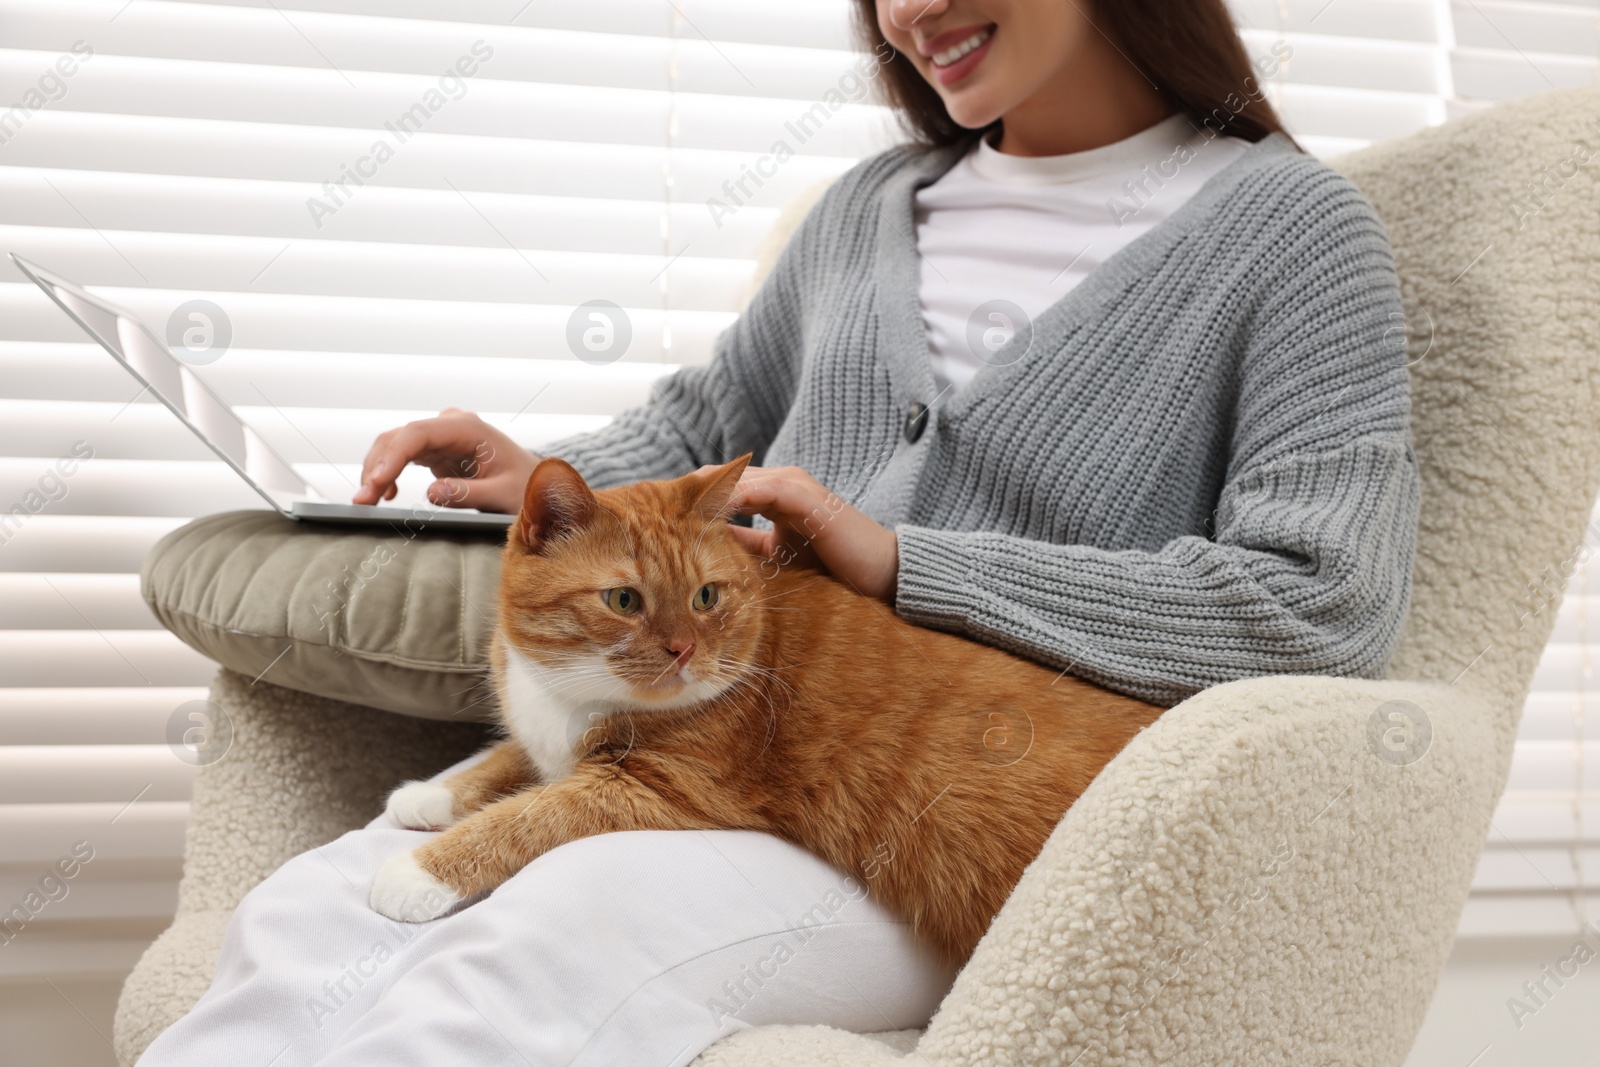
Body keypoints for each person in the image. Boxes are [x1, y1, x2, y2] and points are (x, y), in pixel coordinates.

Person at [139, 0, 1418, 1063]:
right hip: (717, 745)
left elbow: (1323, 599)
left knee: (543, 931)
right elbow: (704, 422)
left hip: (952, 805)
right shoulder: (869, 204)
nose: (907, 12)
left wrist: (909, 562)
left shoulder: (1293, 235)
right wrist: (544, 483)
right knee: (307, 910)